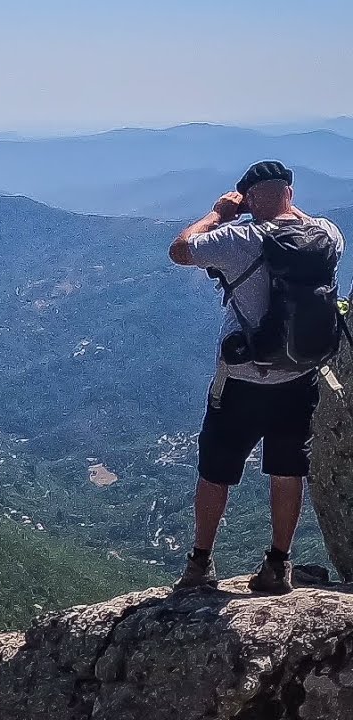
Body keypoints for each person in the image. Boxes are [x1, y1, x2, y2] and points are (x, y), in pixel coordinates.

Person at [168, 160, 345, 594]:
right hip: (301, 375)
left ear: (248, 197)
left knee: (215, 471)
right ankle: (279, 566)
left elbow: (180, 249)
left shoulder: (240, 237)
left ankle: (200, 565)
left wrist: (219, 213)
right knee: (287, 472)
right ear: (290, 191)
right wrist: (288, 206)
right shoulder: (328, 236)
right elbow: (299, 219)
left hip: (243, 381)